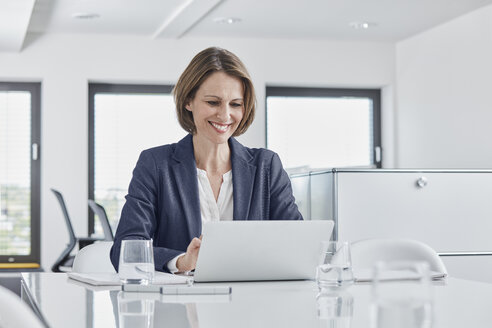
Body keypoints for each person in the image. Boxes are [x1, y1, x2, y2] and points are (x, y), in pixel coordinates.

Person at [110, 47, 303, 274]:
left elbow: (297, 243)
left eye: (235, 104)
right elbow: (124, 250)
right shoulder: (155, 164)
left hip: (250, 302)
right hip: (180, 305)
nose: (225, 115)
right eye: (213, 102)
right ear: (188, 101)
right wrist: (182, 261)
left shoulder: (266, 166)